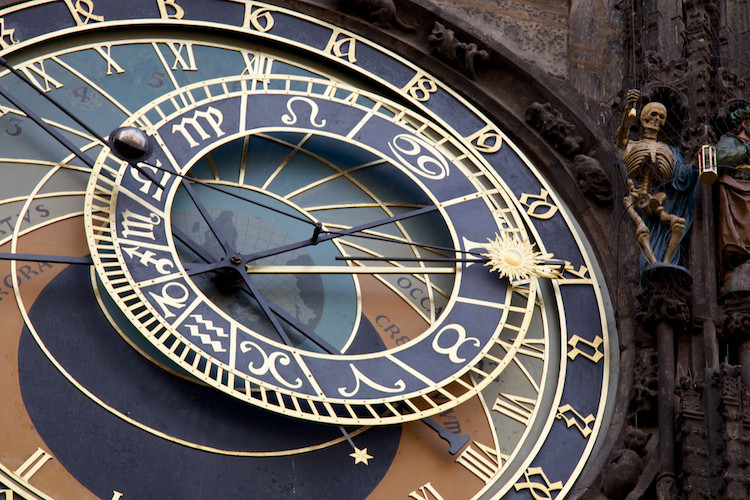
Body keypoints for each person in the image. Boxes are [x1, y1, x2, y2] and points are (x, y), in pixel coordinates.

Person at [716, 105, 750, 285]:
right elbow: (720, 158)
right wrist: (747, 149)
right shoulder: (731, 142)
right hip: (738, 192)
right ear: (745, 123)